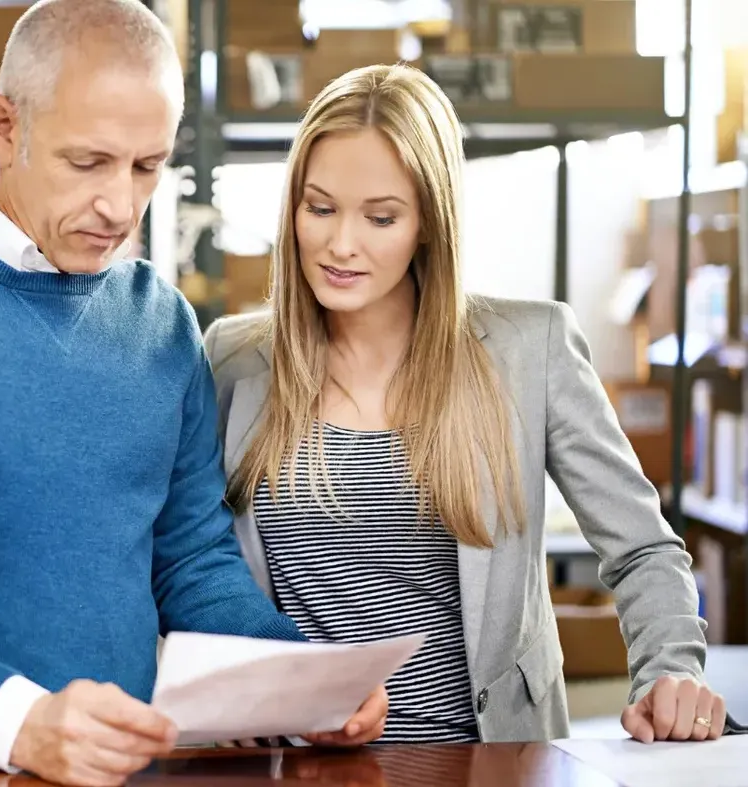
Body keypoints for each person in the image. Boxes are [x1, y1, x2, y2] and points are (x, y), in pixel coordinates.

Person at [0, 1, 385, 785]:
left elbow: (192, 561)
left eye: (146, 166)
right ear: (4, 127)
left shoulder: (161, 323)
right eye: (88, 161)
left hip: (120, 771)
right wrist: (16, 720)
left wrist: (303, 685)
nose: (121, 207)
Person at [204, 62, 731, 746]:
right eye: (320, 206)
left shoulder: (529, 349)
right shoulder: (233, 360)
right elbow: (197, 560)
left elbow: (642, 548)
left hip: (486, 757)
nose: (341, 244)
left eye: (381, 216)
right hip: (299, 762)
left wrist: (668, 669)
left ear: (429, 221)